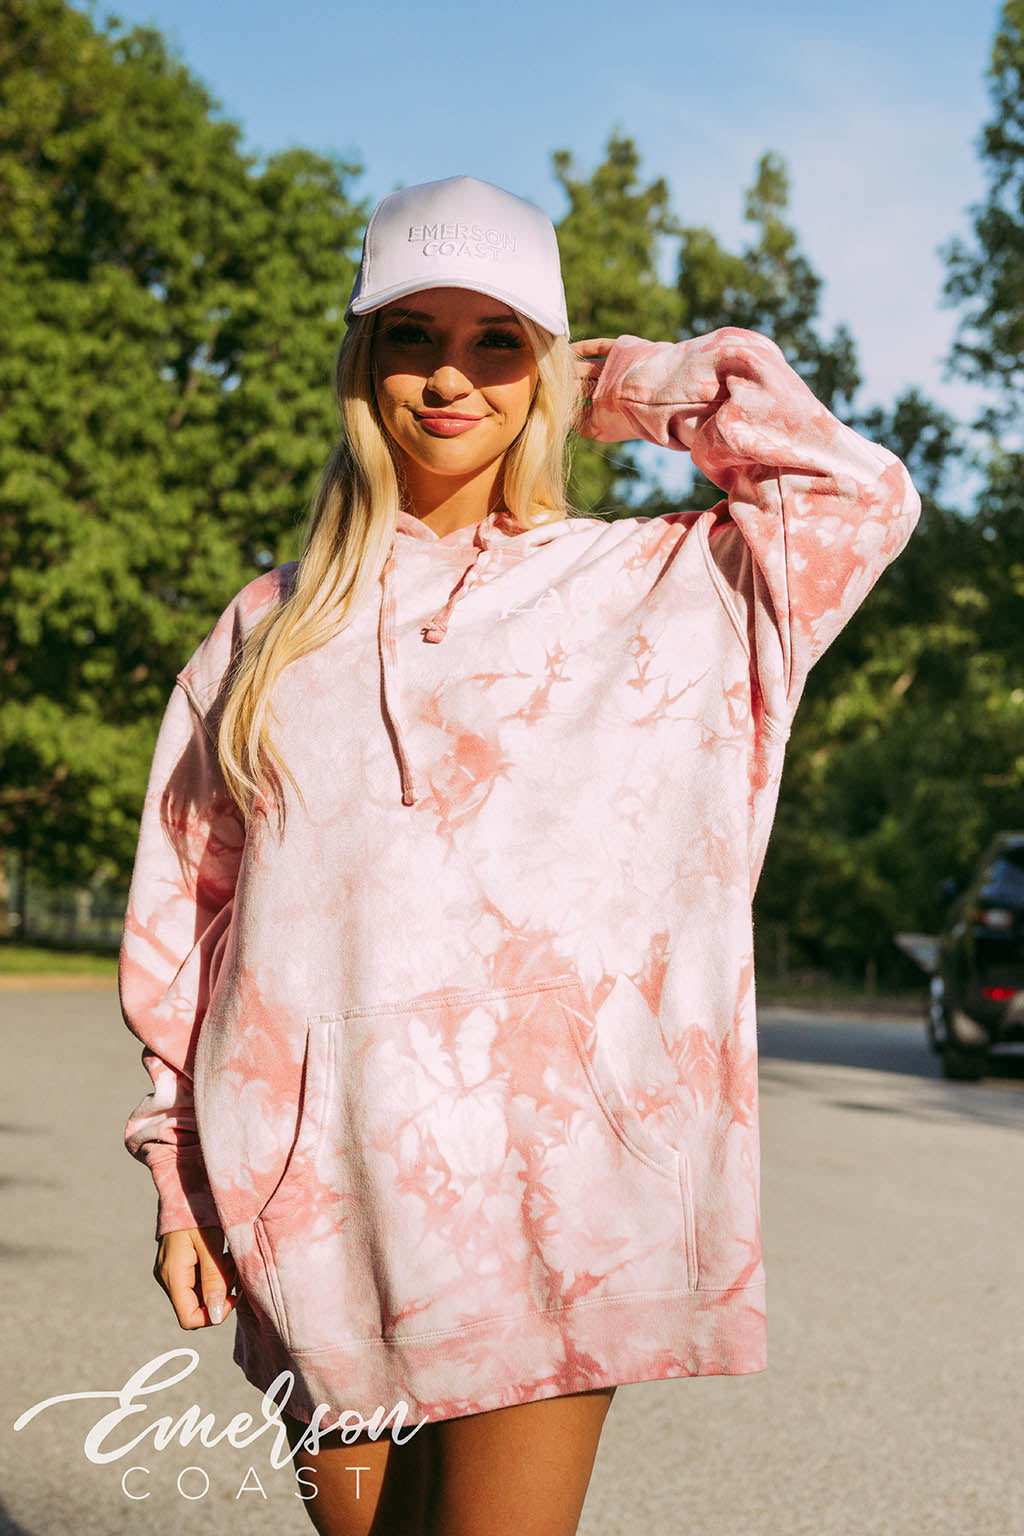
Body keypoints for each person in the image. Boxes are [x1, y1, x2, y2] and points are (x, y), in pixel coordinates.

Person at [117, 174, 921, 1536]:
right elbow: (183, 916)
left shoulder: (662, 585)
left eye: (497, 341)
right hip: (319, 1194)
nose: (450, 377)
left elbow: (860, 497)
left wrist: (611, 385)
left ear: (543, 364)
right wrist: (177, 1169)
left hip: (559, 1188)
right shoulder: (266, 630)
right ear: (362, 361)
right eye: (412, 336)